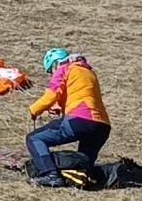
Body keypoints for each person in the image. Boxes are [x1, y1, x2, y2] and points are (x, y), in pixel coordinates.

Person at [26, 46, 110, 182]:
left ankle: (50, 174)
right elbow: (81, 94)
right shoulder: (88, 71)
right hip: (102, 126)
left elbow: (51, 96)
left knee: (34, 138)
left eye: (50, 71)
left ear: (55, 64)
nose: (51, 75)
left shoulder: (63, 69)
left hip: (80, 120)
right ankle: (83, 179)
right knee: (83, 163)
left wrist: (34, 110)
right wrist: (59, 106)